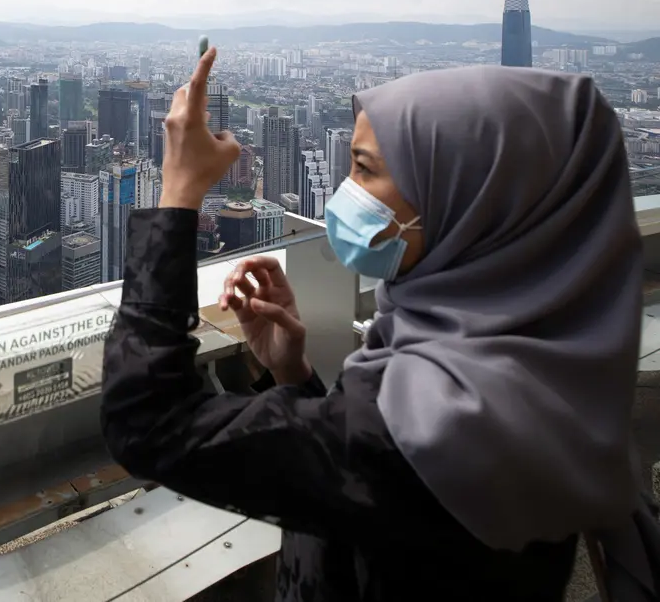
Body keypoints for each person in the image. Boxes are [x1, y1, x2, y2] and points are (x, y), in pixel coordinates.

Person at [100, 49, 660, 601]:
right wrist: (293, 378)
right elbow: (361, 496)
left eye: (365, 169)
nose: (347, 193)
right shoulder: (542, 368)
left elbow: (147, 421)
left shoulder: (438, 430)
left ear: (467, 200)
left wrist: (177, 193)